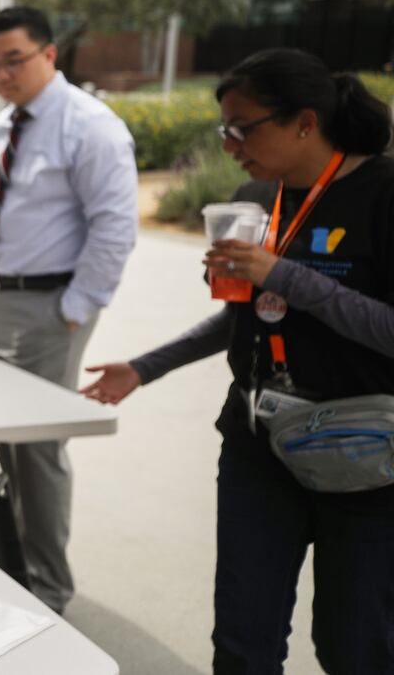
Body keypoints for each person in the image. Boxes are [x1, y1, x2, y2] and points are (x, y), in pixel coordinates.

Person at [82, 49, 394, 674]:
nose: (229, 145)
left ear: (305, 122)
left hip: (364, 457)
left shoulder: (382, 194)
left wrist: (283, 274)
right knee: (242, 646)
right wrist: (145, 366)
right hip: (258, 447)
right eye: (224, 130)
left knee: (354, 648)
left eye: (241, 127)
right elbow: (244, 317)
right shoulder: (256, 197)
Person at [0, 6, 138, 614]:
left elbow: (115, 228)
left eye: (14, 60)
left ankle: (48, 591)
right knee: (2, 444)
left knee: (39, 452)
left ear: (50, 55)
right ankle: (16, 566)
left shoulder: (90, 127)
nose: (1, 73)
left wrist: (73, 310)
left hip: (49, 307)